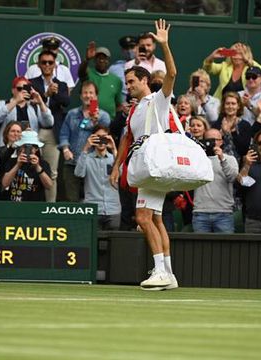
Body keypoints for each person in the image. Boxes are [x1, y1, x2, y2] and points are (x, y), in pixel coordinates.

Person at [110, 19, 178, 291]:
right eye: (126, 82)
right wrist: (116, 167)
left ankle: (160, 271)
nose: (128, 86)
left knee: (142, 218)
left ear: (145, 81)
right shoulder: (134, 110)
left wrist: (164, 45)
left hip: (155, 166)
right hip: (145, 167)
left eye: (132, 82)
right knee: (156, 218)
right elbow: (126, 138)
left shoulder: (158, 100)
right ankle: (169, 273)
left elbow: (172, 74)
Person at [29, 49, 70, 202]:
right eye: (44, 62)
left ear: (55, 65)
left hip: (52, 133)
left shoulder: (61, 84)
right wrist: (46, 95)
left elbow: (65, 102)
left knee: (52, 172)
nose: (47, 65)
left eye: (50, 62)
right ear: (38, 64)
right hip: (33, 130)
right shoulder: (32, 83)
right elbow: (31, 104)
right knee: (30, 168)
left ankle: (50, 207)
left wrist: (55, 93)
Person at [60, 81, 111, 202]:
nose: (88, 96)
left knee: (92, 199)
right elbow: (63, 134)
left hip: (93, 164)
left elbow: (104, 137)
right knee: (72, 200)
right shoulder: (72, 114)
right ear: (80, 96)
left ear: (96, 96)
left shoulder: (103, 116)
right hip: (72, 163)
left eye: (91, 93)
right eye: (85, 92)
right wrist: (65, 149)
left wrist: (96, 121)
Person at [192, 128, 239, 233]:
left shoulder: (230, 159)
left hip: (224, 213)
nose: (212, 142)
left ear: (221, 142)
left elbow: (232, 178)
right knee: (200, 248)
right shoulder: (197, 159)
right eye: (208, 139)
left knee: (225, 248)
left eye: (215, 140)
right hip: (200, 212)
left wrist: (222, 158)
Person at [75, 125, 121, 230]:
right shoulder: (86, 158)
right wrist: (86, 148)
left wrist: (114, 149)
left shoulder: (114, 158)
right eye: (98, 137)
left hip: (113, 208)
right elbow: (78, 173)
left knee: (113, 244)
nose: (101, 140)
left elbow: (122, 174)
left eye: (104, 137)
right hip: (93, 209)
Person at [0, 77, 53, 147]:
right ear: (13, 90)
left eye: (26, 89)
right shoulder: (4, 103)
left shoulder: (34, 106)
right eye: (19, 89)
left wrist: (41, 103)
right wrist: (15, 101)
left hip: (29, 148)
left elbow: (49, 123)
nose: (22, 91)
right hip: (7, 147)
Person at [1, 130, 52, 202]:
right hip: (14, 205)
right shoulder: (12, 162)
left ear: (37, 149)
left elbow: (49, 186)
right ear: (20, 147)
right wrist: (17, 165)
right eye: (25, 146)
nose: (30, 150)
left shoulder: (43, 164)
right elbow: (4, 184)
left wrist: (38, 167)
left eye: (33, 147)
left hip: (34, 206)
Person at [79, 44, 123, 119]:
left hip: (110, 121)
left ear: (108, 60)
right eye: (99, 58)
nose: (101, 60)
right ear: (95, 60)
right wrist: (86, 59)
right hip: (90, 119)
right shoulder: (89, 73)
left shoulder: (116, 80)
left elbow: (118, 105)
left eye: (104, 58)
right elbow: (81, 72)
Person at [212, 92, 252, 159]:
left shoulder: (245, 125)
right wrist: (220, 135)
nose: (230, 106)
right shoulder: (217, 124)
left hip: (238, 163)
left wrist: (231, 133)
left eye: (233, 104)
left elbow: (243, 150)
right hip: (219, 161)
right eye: (227, 104)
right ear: (223, 106)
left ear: (238, 106)